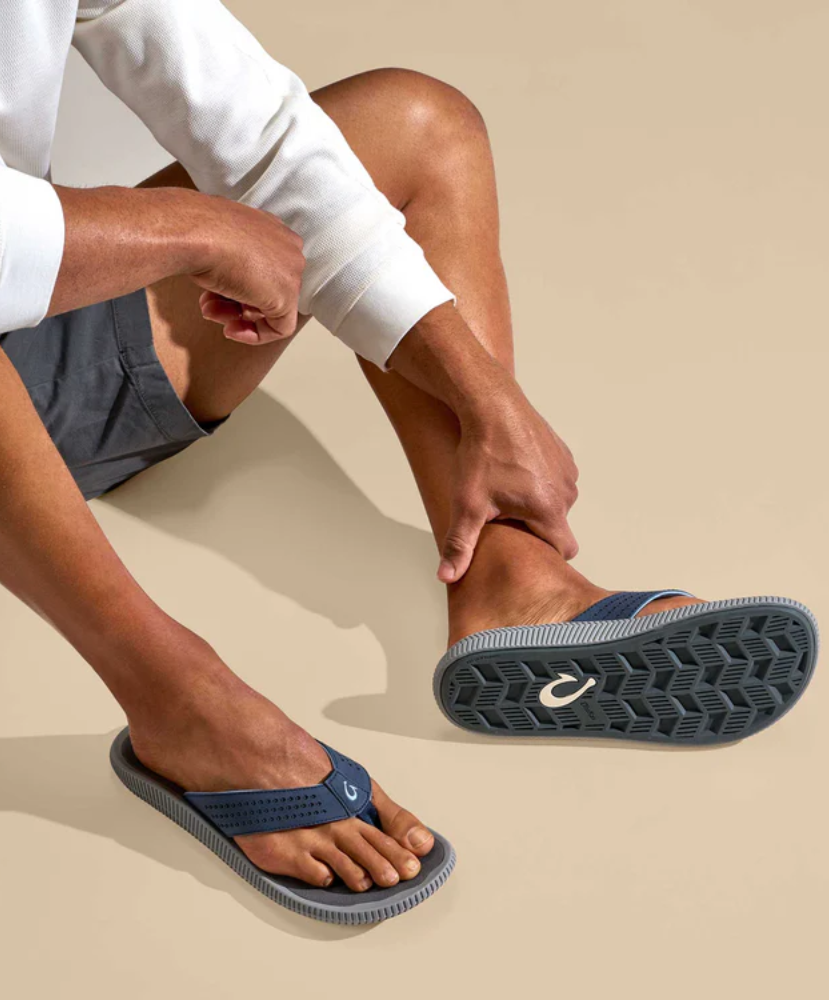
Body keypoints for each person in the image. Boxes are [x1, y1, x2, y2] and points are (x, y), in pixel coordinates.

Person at [1, 1, 816, 920]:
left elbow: (252, 124)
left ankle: (506, 576)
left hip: (33, 311)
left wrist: (483, 393)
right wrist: (194, 230)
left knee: (417, 124)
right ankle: (180, 699)